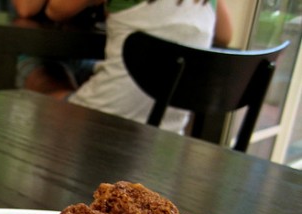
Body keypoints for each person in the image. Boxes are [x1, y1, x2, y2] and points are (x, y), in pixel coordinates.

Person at [13, 0, 233, 134]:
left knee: (29, 62)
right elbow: (225, 35)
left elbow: (55, 10)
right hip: (169, 129)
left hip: (106, 121)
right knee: (83, 69)